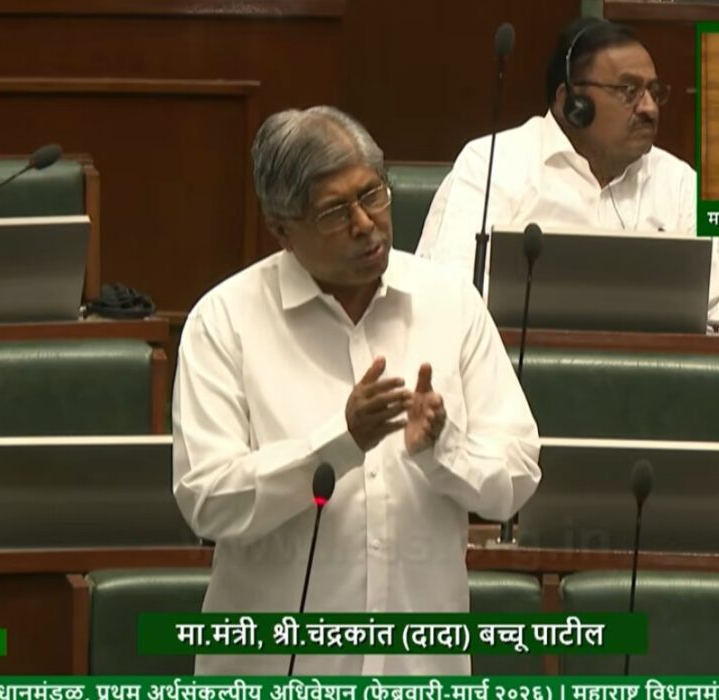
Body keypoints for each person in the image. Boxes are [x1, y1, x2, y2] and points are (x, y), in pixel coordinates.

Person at [172, 106, 542, 675]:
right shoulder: (225, 321)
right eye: (334, 212)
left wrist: (442, 449)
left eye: (373, 195)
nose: (366, 224)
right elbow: (209, 500)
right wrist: (340, 442)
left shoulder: (451, 304)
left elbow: (514, 478)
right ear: (281, 228)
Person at [416, 17, 719, 326]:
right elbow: (447, 291)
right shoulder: (492, 163)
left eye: (654, 92)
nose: (648, 108)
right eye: (628, 91)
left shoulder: (677, 183)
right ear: (571, 103)